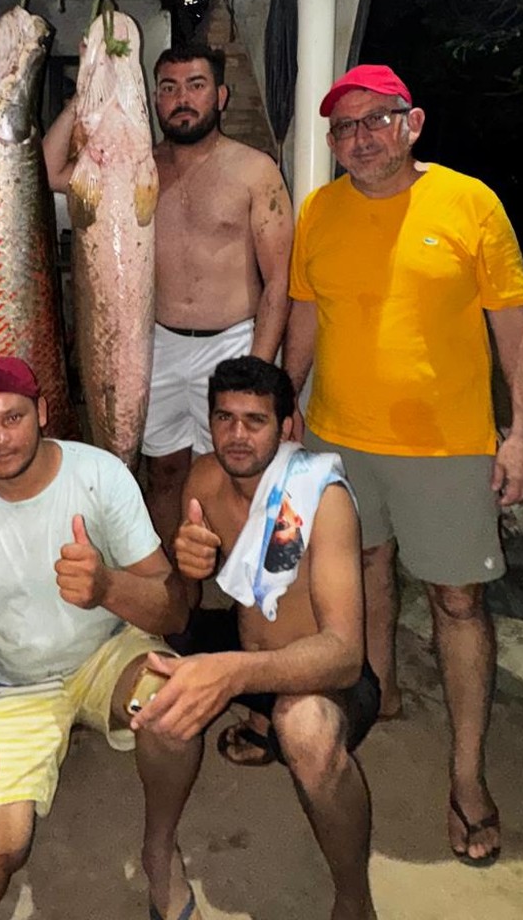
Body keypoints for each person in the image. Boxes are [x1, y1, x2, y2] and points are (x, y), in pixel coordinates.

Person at [282, 64, 523, 867]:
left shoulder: (470, 203)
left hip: (448, 447)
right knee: (362, 572)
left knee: (458, 603)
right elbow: (304, 316)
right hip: (339, 436)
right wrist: (284, 402)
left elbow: (518, 331)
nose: (357, 139)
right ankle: (379, 692)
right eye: (343, 128)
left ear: (413, 122)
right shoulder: (319, 211)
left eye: (374, 121)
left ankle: (466, 778)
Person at [0, 356, 204, 920]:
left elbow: (173, 611)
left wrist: (106, 586)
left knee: (175, 704)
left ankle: (159, 848)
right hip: (16, 681)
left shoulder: (99, 475)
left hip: (107, 653)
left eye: (13, 418)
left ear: (43, 412)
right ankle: (45, 747)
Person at [133, 356, 378, 920]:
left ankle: (353, 897)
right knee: (153, 686)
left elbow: (344, 654)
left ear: (286, 428)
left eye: (255, 420)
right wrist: (186, 571)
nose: (236, 435)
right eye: (224, 418)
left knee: (307, 731)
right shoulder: (203, 479)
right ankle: (159, 850)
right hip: (248, 653)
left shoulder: (322, 496)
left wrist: (233, 674)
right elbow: (180, 611)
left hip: (318, 671)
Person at [44, 40, 293, 548]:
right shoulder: (134, 166)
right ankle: (170, 583)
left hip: (231, 341)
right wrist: (85, 94)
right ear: (155, 100)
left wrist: (260, 368)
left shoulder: (254, 169)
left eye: (196, 86)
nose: (183, 98)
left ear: (220, 96)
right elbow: (51, 171)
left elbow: (280, 281)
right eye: (169, 88)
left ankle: (225, 592)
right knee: (162, 470)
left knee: (225, 471)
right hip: (154, 344)